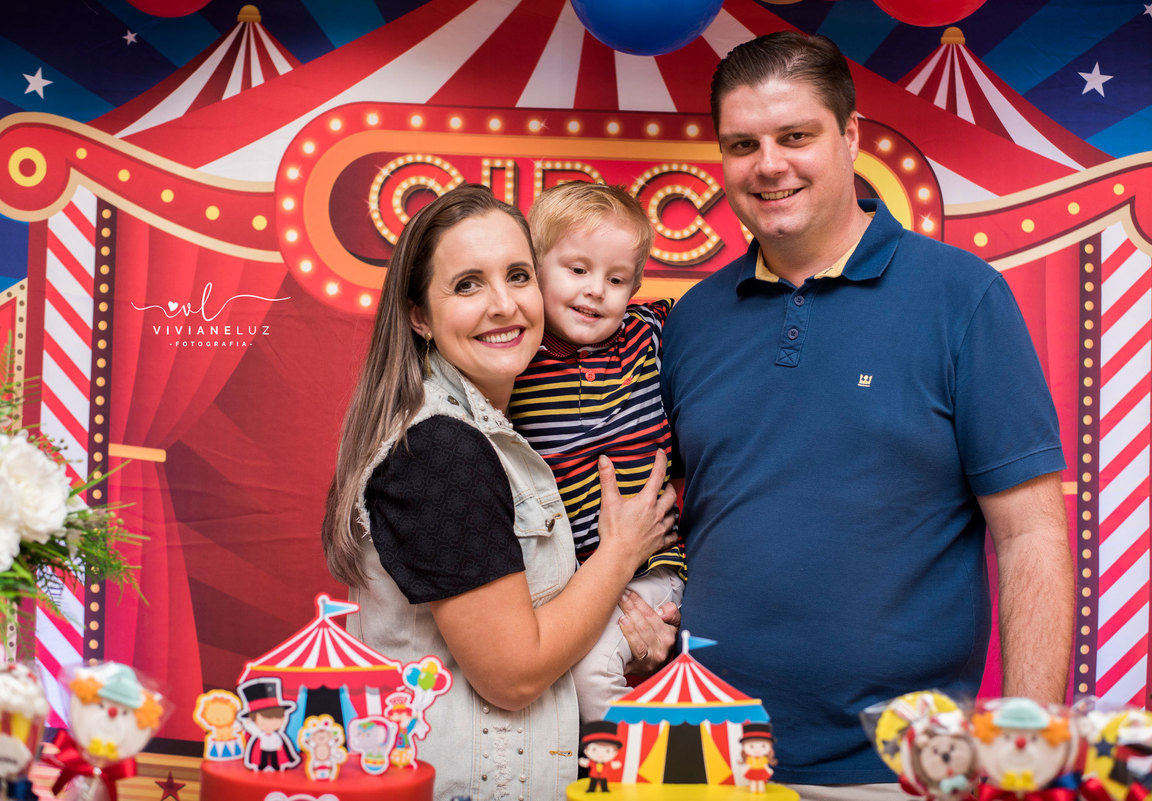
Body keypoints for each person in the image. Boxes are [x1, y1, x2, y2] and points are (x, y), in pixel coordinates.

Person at [658, 32, 1073, 800]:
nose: (768, 164)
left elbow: (1032, 534)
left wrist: (1024, 759)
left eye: (795, 136)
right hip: (702, 762)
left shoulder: (961, 297)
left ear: (850, 137)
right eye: (742, 143)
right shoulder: (691, 321)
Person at [322, 184, 680, 800]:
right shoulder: (440, 451)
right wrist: (622, 553)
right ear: (418, 316)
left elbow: (547, 619)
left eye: (517, 276)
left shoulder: (514, 433)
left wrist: (629, 630)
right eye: (467, 285)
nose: (503, 305)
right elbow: (512, 674)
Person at [509, 181, 685, 724]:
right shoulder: (513, 358)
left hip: (653, 564)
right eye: (577, 269)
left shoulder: (645, 333)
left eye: (616, 279)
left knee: (590, 676)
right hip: (566, 576)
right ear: (533, 269)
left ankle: (624, 775)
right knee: (541, 682)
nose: (596, 291)